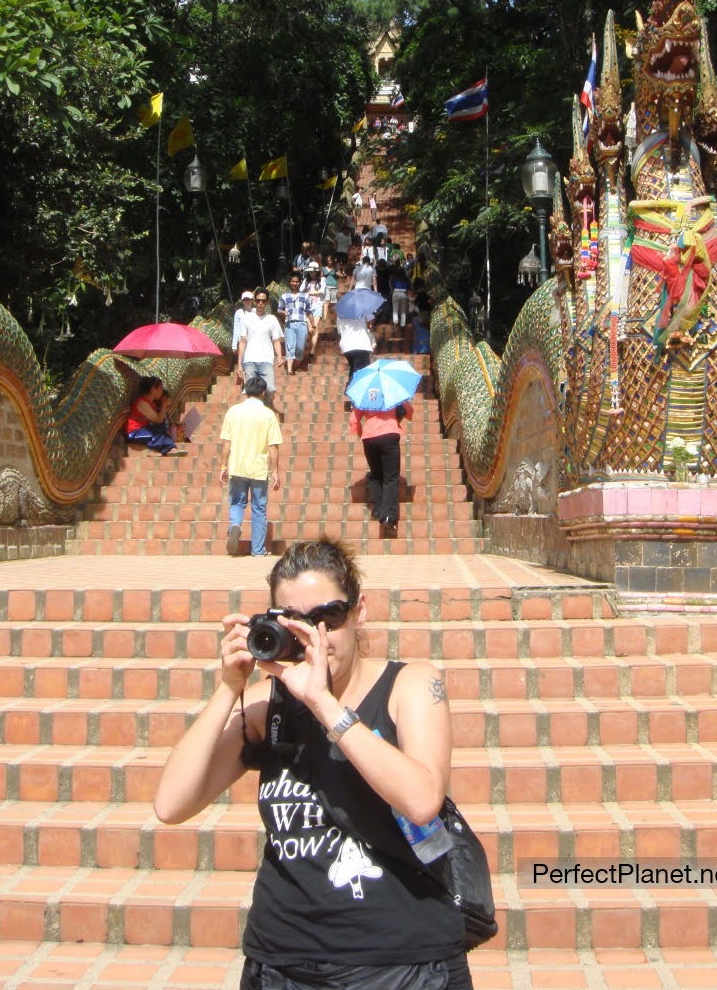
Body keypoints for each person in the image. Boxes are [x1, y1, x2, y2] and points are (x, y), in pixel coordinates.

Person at [153, 538, 473, 990]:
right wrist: (228, 687)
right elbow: (171, 804)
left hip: (401, 964)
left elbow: (422, 800)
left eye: (329, 617)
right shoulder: (270, 706)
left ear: (359, 611)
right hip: (281, 963)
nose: (316, 636)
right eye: (298, 622)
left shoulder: (411, 686)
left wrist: (324, 704)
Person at [217, 374, 282, 557]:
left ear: (245, 391)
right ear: (263, 393)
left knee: (237, 502)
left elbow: (226, 443)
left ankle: (235, 525)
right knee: (259, 508)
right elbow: (273, 446)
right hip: (259, 468)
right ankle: (258, 550)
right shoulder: (268, 415)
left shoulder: (233, 412)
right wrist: (275, 471)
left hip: (237, 465)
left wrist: (223, 467)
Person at [349, 397, 413, 537]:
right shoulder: (392, 391)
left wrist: (361, 433)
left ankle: (378, 510)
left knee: (376, 474)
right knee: (391, 477)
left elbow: (353, 419)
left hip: (369, 437)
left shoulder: (364, 394)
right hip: (389, 435)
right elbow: (409, 411)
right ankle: (389, 517)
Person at [237, 288, 285, 403]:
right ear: (254, 301)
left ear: (267, 302)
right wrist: (239, 363)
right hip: (250, 360)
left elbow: (276, 340)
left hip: (266, 360)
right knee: (250, 391)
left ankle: (266, 407)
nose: (260, 303)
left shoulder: (271, 319)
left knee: (270, 389)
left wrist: (279, 356)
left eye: (263, 301)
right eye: (258, 300)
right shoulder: (246, 319)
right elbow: (242, 341)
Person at [125, 375, 179, 455]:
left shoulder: (152, 403)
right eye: (160, 388)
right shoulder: (142, 403)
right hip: (134, 432)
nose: (161, 391)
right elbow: (158, 420)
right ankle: (168, 449)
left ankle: (165, 448)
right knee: (156, 435)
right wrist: (163, 406)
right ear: (153, 389)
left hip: (144, 428)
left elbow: (161, 421)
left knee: (162, 429)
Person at [278, 271, 315, 375]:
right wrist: (282, 313)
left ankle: (295, 366)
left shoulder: (305, 296)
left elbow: (309, 311)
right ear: (290, 282)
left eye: (297, 282)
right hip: (289, 324)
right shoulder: (284, 296)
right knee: (290, 347)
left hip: (302, 323)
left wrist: (313, 325)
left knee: (300, 348)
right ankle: (290, 370)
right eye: (293, 281)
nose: (294, 283)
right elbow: (279, 310)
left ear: (299, 283)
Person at [302, 263, 326, 358]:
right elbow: (301, 291)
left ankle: (312, 349)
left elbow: (321, 291)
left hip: (317, 306)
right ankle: (311, 346)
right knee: (310, 329)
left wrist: (309, 293)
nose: (312, 274)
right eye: (310, 272)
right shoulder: (305, 281)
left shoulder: (322, 280)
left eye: (314, 272)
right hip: (307, 307)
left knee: (315, 327)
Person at [232, 291, 256, 377]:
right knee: (244, 362)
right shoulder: (239, 313)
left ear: (252, 300)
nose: (247, 301)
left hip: (254, 342)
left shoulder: (256, 311)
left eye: (249, 299)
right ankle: (246, 384)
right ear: (242, 301)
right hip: (242, 341)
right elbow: (236, 329)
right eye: (245, 299)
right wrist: (234, 345)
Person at [389, 264, 411, 328]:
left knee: (395, 310)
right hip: (404, 294)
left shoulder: (394, 278)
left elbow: (392, 286)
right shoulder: (406, 278)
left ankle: (395, 323)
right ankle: (403, 324)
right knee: (403, 310)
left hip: (396, 293)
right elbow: (409, 286)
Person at [322, 253, 339, 320]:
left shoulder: (335, 269)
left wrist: (339, 273)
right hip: (326, 286)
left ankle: (334, 317)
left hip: (334, 286)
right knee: (326, 301)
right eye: (328, 260)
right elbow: (321, 276)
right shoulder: (323, 268)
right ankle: (325, 317)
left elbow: (339, 274)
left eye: (331, 259)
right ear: (326, 260)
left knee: (334, 302)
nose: (329, 261)